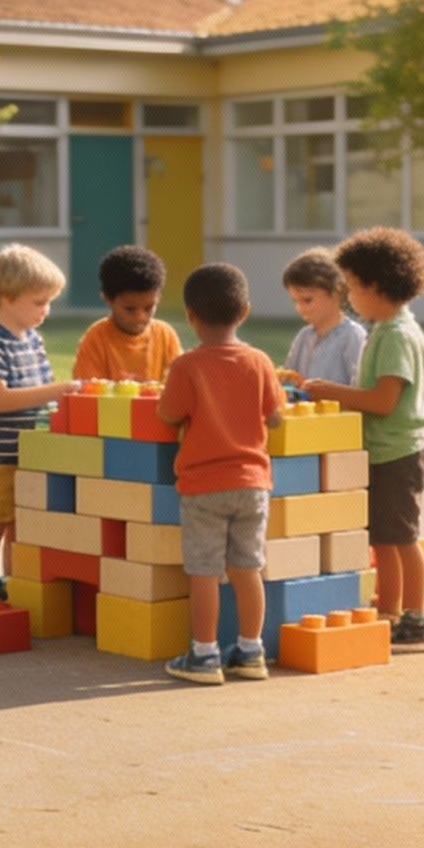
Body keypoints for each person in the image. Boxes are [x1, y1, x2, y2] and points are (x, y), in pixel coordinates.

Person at [304, 227, 424, 655]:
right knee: (383, 537)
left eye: (353, 287)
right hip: (383, 451)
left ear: (377, 286)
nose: (348, 297)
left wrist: (332, 391)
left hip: (399, 452)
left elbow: (383, 400)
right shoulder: (384, 328)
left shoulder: (397, 335)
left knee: (403, 538)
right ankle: (392, 613)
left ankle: (416, 622)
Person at [155, 263, 287, 685]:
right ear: (244, 311)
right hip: (252, 484)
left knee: (204, 573)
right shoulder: (260, 361)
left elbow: (169, 413)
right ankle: (251, 651)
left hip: (203, 487)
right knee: (248, 569)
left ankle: (204, 654)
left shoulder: (186, 366)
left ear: (190, 316)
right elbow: (277, 416)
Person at [0, 245, 77, 591]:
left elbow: (43, 393)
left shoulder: (33, 341)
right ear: (7, 298)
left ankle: (13, 582)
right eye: (39, 302)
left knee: (20, 524)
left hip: (29, 452)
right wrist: (58, 390)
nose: (46, 310)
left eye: (49, 302)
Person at [72, 244, 183, 382]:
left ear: (158, 298)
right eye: (130, 309)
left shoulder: (166, 336)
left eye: (149, 308)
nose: (140, 317)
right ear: (107, 299)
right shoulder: (95, 339)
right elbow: (87, 390)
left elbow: (180, 384)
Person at [280, 246, 366, 389]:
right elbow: (289, 380)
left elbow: (360, 389)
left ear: (336, 292)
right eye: (295, 301)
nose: (300, 308)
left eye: (307, 300)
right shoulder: (304, 336)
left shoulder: (352, 336)